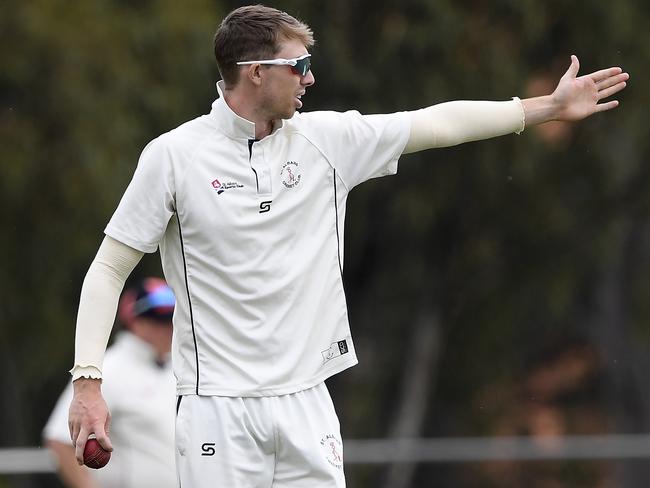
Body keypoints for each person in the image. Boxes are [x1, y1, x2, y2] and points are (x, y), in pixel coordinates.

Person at [67, 5, 629, 487]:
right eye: (300, 66)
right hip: (216, 408)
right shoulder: (173, 156)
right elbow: (109, 268)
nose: (311, 79)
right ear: (256, 72)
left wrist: (544, 109)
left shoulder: (327, 140)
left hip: (307, 400)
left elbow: (435, 124)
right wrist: (88, 384)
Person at [45, 278, 177, 488]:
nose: (169, 328)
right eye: (159, 319)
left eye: (172, 318)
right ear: (135, 321)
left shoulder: (178, 369)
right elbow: (58, 440)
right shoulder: (108, 368)